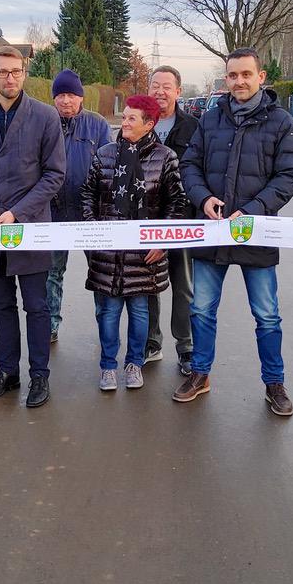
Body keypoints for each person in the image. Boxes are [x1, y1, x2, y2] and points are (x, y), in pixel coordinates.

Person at [175, 48, 293, 416]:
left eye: (246, 74)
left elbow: (287, 176)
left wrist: (252, 211)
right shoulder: (211, 120)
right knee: (201, 309)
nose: (240, 81)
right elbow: (190, 165)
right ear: (226, 79)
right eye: (233, 76)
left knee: (266, 315)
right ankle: (200, 374)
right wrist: (203, 200)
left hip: (256, 234)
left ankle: (274, 383)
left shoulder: (281, 122)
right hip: (213, 233)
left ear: (261, 77)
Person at [0, 46, 66, 408]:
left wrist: (18, 213)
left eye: (16, 71)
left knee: (36, 306)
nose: (9, 78)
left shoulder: (46, 117)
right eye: (2, 72)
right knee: (1, 304)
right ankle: (7, 372)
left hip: (30, 227)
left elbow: (54, 175)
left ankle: (39, 376)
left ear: (24, 73)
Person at [81, 95, 188, 391]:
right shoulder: (104, 154)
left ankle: (134, 364)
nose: (124, 122)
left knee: (141, 313)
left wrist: (162, 241)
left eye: (131, 118)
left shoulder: (166, 157)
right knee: (109, 312)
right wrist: (92, 230)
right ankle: (107, 366)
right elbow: (88, 193)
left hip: (145, 255)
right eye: (124, 116)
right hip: (108, 253)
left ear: (149, 124)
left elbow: (176, 203)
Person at [46, 69, 111, 343]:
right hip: (53, 213)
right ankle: (50, 325)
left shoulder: (97, 125)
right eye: (60, 95)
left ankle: (105, 326)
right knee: (52, 274)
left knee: (99, 274)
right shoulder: (45, 123)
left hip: (89, 216)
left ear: (81, 97)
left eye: (71, 95)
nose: (65, 101)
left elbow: (109, 167)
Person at [145, 66, 199, 373]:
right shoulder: (137, 122)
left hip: (184, 220)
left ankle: (186, 346)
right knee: (148, 285)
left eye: (167, 86)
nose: (160, 92)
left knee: (183, 285)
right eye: (155, 85)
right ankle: (152, 343)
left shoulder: (194, 127)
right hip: (147, 223)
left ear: (178, 91)